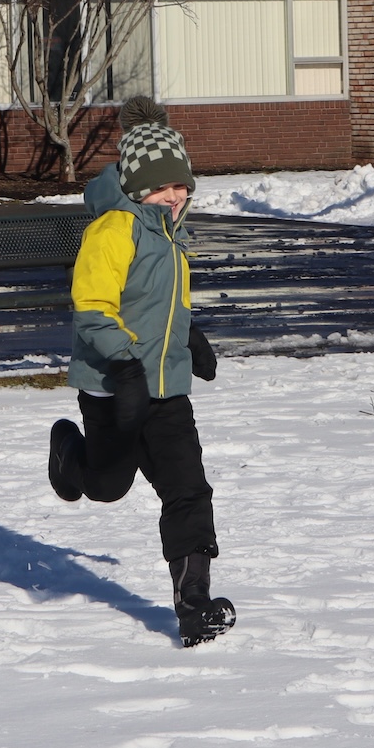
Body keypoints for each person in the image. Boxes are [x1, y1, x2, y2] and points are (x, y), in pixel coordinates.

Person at [46, 97, 234, 648]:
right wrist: (125, 364)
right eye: (163, 186)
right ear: (135, 187)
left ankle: (193, 603)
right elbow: (93, 308)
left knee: (189, 490)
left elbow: (163, 305)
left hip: (167, 393)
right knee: (107, 486)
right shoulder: (113, 231)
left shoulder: (171, 236)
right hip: (114, 390)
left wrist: (190, 337)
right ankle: (68, 453)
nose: (176, 196)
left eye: (182, 186)